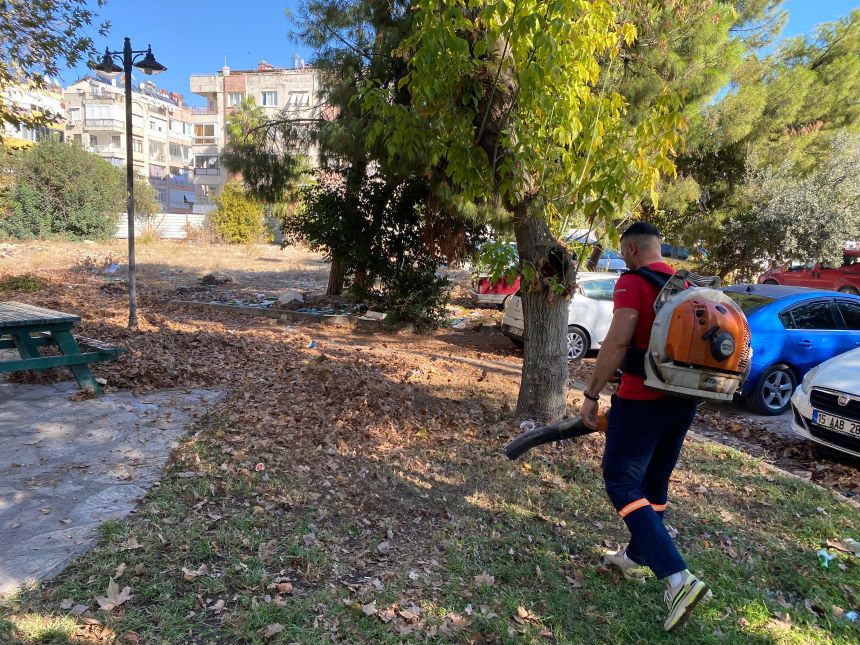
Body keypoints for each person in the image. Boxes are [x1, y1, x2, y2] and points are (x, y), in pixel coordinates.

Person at [580, 222, 709, 632]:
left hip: (641, 400)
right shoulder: (685, 286)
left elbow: (617, 343)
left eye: (624, 252)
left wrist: (591, 392)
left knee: (620, 480)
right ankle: (635, 557)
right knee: (653, 487)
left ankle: (677, 578)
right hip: (683, 401)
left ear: (632, 249)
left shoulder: (633, 283)